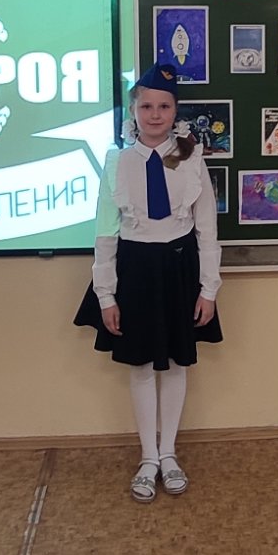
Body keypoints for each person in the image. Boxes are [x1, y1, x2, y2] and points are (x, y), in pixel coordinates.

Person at [74, 64, 222, 504]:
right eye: (146, 107)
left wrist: (209, 289)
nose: (155, 115)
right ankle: (148, 458)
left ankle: (170, 453)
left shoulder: (191, 158)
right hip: (134, 271)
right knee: (139, 366)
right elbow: (105, 232)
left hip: (179, 269)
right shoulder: (117, 162)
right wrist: (106, 294)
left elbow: (207, 229)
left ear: (175, 112)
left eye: (164, 107)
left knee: (176, 363)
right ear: (133, 112)